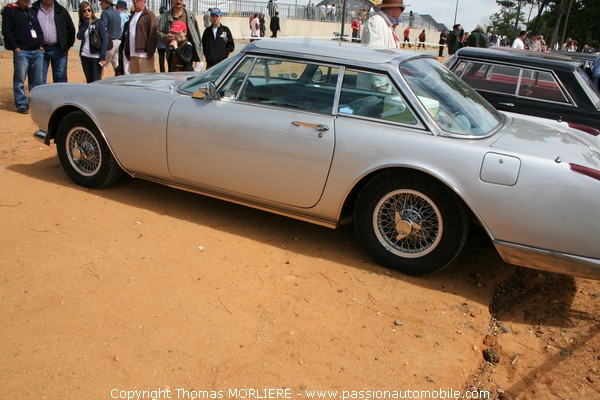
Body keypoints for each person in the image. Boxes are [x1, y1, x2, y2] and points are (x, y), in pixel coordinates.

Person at [2, 0, 45, 114]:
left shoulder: (31, 11)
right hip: (22, 52)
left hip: (36, 52)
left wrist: (40, 46)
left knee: (36, 82)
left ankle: (35, 104)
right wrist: (16, 48)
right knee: (19, 81)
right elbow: (7, 30)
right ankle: (21, 105)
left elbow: (39, 30)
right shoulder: (10, 10)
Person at [31, 0, 75, 84]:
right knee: (39, 79)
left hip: (59, 50)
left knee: (60, 78)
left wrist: (66, 46)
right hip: (40, 50)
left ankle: (59, 97)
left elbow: (71, 29)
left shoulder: (61, 10)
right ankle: (41, 97)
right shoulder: (34, 10)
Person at [157, 0, 202, 72]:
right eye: (176, 0)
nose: (178, 1)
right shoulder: (165, 17)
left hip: (186, 51)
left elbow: (196, 34)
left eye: (180, 0)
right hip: (172, 52)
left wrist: (199, 54)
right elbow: (159, 33)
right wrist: (166, 37)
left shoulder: (190, 15)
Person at [77, 1, 107, 82]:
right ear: (81, 13)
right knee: (89, 81)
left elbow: (104, 39)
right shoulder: (82, 24)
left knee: (96, 81)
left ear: (92, 11)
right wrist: (85, 26)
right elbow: (79, 36)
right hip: (85, 56)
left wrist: (103, 56)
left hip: (96, 57)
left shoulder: (98, 23)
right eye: (84, 11)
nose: (87, 12)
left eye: (88, 10)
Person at [124, 0, 157, 73]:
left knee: (146, 79)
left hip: (144, 55)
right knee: (134, 80)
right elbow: (128, 34)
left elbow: (153, 34)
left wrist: (150, 52)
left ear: (144, 1)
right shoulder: (132, 15)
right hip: (133, 55)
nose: (135, 1)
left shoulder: (149, 15)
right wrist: (127, 51)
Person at [99, 0, 121, 75]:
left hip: (110, 43)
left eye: (101, 2)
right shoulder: (116, 13)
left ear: (106, 3)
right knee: (116, 65)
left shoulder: (105, 13)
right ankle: (119, 81)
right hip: (118, 42)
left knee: (101, 64)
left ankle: (99, 83)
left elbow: (103, 29)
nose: (100, 4)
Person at [156, 5, 167, 72]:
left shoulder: (157, 18)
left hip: (160, 42)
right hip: (167, 41)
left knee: (161, 58)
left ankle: (162, 71)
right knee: (169, 58)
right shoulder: (167, 18)